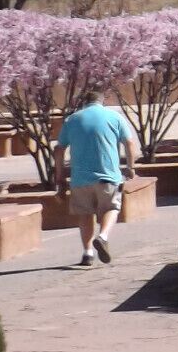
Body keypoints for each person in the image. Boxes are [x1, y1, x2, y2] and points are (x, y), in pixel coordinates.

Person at [52, 89, 135, 269]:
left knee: (85, 214)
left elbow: (58, 150)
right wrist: (130, 167)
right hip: (108, 175)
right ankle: (103, 237)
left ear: (84, 102)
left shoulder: (72, 120)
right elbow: (129, 143)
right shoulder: (114, 117)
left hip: (80, 179)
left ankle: (87, 252)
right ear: (102, 101)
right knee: (112, 207)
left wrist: (59, 177)